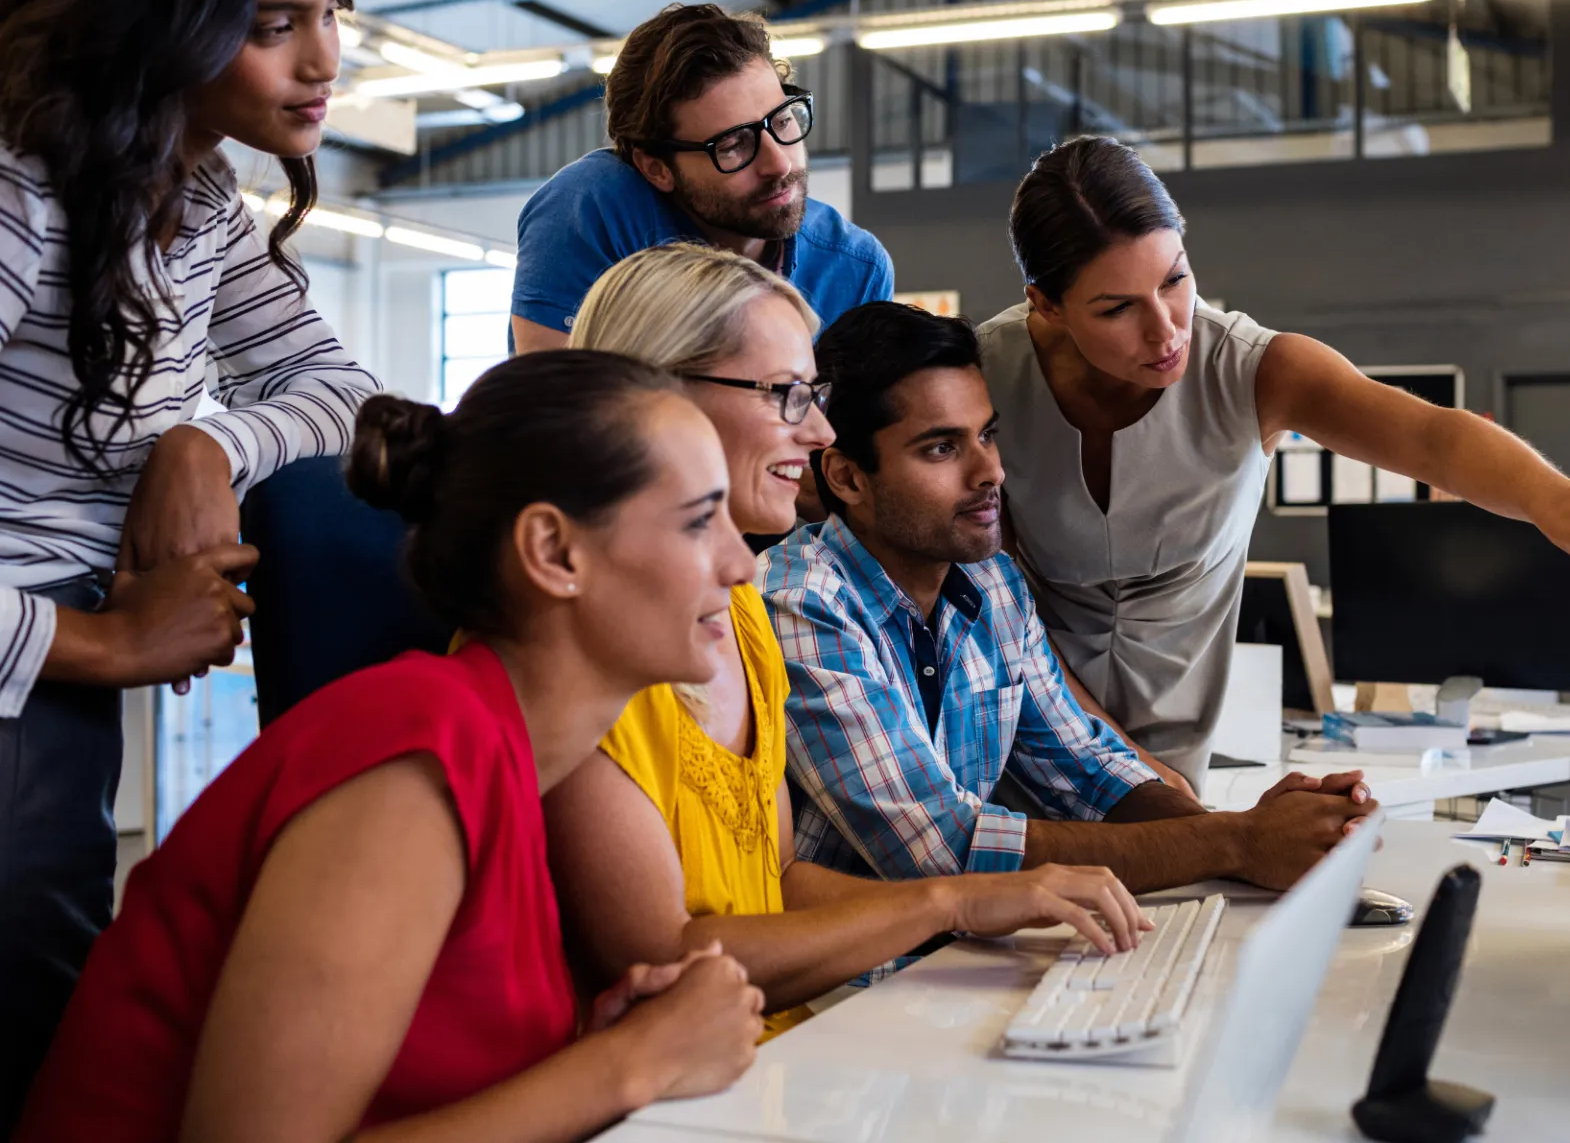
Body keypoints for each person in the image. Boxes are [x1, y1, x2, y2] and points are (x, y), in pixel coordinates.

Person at [19, 352, 768, 1141]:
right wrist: (632, 1063)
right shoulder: (414, 760)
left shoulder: (504, 757)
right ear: (552, 552)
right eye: (697, 521)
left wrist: (599, 1049)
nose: (741, 563)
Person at [0, 0, 385, 1125]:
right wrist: (106, 644)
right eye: (276, 22)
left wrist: (204, 436)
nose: (325, 59)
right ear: (148, 7)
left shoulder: (192, 193)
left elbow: (343, 392)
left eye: (332, 10)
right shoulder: (21, 190)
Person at [978, 136, 1570, 787]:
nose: (1165, 328)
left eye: (1175, 278)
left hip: (1171, 764)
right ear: (1045, 305)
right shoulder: (979, 381)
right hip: (1014, 739)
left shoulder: (1251, 369)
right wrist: (1114, 769)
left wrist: (1565, 508)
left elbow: (1433, 437)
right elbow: (998, 606)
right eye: (1116, 309)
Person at [548, 244, 1145, 1032]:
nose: (820, 430)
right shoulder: (579, 648)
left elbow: (779, 878)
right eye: (789, 396)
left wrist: (978, 901)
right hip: (681, 1079)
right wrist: (953, 898)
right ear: (658, 400)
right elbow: (657, 955)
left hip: (778, 1043)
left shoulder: (743, 615)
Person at [758, 301, 1376, 897]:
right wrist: (1236, 843)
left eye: (987, 436)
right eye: (943, 448)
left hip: (960, 964)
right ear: (846, 477)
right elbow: (941, 849)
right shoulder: (803, 604)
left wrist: (1252, 833)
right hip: (847, 992)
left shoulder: (992, 586)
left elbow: (1087, 768)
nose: (990, 472)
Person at [511, 3, 894, 353]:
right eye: (733, 145)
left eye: (782, 120)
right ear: (657, 169)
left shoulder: (856, 268)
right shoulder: (590, 209)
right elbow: (551, 412)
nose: (778, 163)